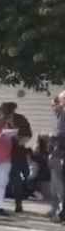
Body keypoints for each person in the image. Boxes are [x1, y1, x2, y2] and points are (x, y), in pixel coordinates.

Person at [0, 101, 33, 213]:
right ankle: (4, 204)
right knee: (8, 179)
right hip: (4, 153)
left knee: (21, 178)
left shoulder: (21, 119)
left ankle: (20, 201)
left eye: (8, 112)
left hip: (18, 152)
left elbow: (28, 134)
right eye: (4, 112)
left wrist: (20, 140)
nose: (6, 115)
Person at [50, 93, 65, 223]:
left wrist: (52, 137)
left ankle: (61, 213)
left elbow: (61, 134)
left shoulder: (63, 115)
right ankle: (58, 212)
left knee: (60, 185)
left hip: (61, 154)